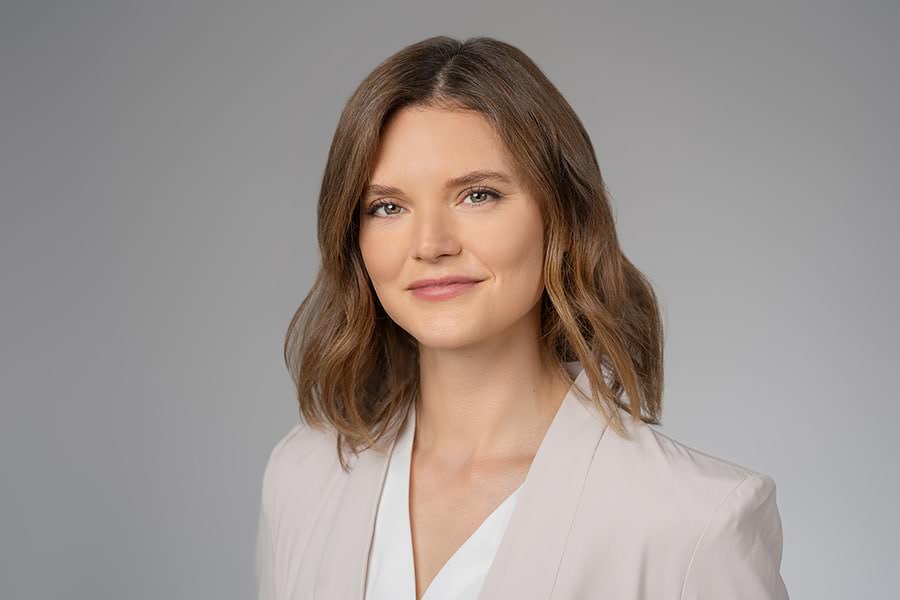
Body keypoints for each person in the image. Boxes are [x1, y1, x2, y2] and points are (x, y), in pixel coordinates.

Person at [254, 35, 789, 600]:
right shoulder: (300, 476)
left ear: (560, 217)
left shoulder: (696, 523)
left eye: (478, 195)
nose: (431, 244)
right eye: (388, 207)